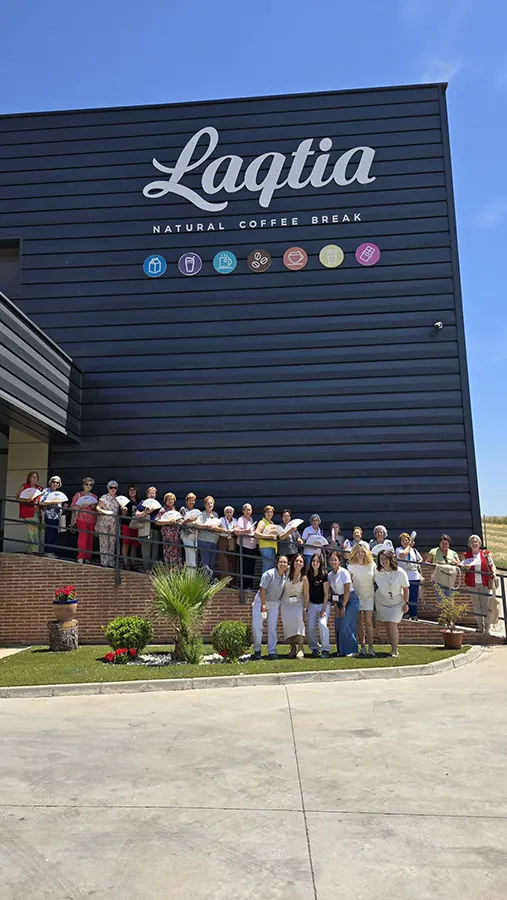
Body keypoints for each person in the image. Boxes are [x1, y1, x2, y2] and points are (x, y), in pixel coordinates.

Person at [251, 555, 289, 660]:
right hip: (261, 602)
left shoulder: (285, 575)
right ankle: (257, 650)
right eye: (281, 562)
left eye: (285, 562)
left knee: (272, 628)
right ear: (276, 563)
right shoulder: (269, 574)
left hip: (274, 604)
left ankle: (272, 651)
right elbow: (262, 589)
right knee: (257, 626)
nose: (283, 564)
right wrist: (263, 605)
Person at [374, 550, 409, 658]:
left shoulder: (400, 572)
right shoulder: (376, 571)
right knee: (387, 626)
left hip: (397, 601)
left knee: (392, 625)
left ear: (390, 559)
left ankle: (395, 650)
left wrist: (406, 603)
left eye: (385, 559)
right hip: (382, 601)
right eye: (381, 559)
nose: (383, 561)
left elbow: (406, 588)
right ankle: (392, 646)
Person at [462, 535, 499, 635]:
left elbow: (492, 565)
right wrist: (467, 568)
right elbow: (464, 569)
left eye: (476, 542)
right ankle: (480, 626)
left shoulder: (485, 554)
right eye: (472, 542)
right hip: (472, 584)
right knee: (476, 606)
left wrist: (494, 572)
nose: (474, 543)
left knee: (485, 606)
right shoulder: (467, 555)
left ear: (479, 543)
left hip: (484, 583)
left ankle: (487, 627)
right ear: (470, 544)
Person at [328, 551, 360, 656]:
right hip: (339, 601)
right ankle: (341, 650)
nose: (333, 562)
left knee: (345, 624)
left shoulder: (344, 572)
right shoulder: (330, 575)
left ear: (339, 561)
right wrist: (337, 606)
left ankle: (352, 650)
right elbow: (333, 592)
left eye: (335, 559)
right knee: (338, 625)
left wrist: (344, 606)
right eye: (331, 560)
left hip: (350, 599)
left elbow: (347, 590)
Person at [348, 543, 376, 657]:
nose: (360, 554)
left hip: (369, 596)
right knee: (359, 623)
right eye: (358, 552)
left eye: (362, 552)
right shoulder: (351, 566)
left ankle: (371, 648)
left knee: (368, 622)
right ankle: (363, 647)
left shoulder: (372, 564)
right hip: (356, 597)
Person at [280, 554, 309, 659]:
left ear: (303, 564)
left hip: (298, 603)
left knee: (299, 624)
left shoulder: (304, 578)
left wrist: (305, 609)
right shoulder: (287, 571)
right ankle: (292, 647)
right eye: (297, 561)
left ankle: (301, 648)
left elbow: (306, 595)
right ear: (293, 562)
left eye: (301, 561)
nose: (298, 563)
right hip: (286, 603)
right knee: (288, 626)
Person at [306, 552, 331, 658]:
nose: (315, 563)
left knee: (322, 624)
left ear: (320, 563)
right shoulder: (308, 574)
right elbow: (306, 592)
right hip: (312, 604)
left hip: (323, 604)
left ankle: (326, 649)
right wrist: (306, 608)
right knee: (310, 627)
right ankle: (314, 648)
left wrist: (324, 609)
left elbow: (326, 594)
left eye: (317, 561)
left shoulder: (324, 574)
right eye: (313, 561)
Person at [70, 477, 98, 564]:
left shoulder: (94, 496)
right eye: (87, 484)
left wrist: (94, 507)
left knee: (90, 538)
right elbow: (72, 507)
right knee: (83, 536)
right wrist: (81, 506)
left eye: (90, 485)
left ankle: (88, 557)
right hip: (81, 518)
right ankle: (81, 557)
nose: (88, 486)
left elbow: (96, 508)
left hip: (92, 519)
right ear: (83, 485)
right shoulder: (78, 495)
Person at [396, 533, 423, 620]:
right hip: (404, 575)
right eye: (403, 540)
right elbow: (402, 555)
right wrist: (409, 546)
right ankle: (406, 613)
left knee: (413, 596)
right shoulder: (398, 549)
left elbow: (420, 559)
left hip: (413, 575)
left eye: (406, 540)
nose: (405, 542)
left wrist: (416, 565)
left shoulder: (414, 551)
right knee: (405, 596)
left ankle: (414, 614)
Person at [38, 476, 66, 558]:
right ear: (50, 483)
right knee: (49, 534)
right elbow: (41, 502)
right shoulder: (46, 491)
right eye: (54, 482)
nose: (55, 484)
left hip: (57, 516)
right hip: (49, 516)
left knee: (54, 534)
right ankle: (47, 552)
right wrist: (53, 502)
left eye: (57, 482)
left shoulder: (58, 493)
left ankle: (51, 552)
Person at [16, 470, 42, 554]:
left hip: (37, 511)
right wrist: (26, 500)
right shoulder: (24, 486)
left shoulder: (39, 488)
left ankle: (30, 550)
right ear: (29, 478)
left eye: (36, 477)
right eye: (33, 476)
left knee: (37, 531)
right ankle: (35, 551)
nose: (34, 478)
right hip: (28, 511)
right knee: (33, 531)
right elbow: (17, 498)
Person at [427, 534, 461, 599]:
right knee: (440, 599)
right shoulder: (433, 551)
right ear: (439, 543)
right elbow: (427, 563)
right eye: (443, 543)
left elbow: (459, 564)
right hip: (438, 579)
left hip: (449, 579)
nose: (445, 545)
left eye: (446, 543)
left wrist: (456, 563)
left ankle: (450, 609)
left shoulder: (453, 553)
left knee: (450, 598)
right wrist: (434, 565)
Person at [135, 486, 160, 573]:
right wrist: (146, 512)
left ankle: (153, 569)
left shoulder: (158, 505)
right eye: (150, 493)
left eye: (154, 493)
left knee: (155, 550)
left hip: (156, 529)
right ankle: (146, 569)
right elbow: (137, 515)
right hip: (145, 529)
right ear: (147, 494)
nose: (152, 495)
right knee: (146, 550)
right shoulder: (143, 503)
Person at [95, 480, 120, 567]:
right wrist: (103, 511)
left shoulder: (118, 499)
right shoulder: (104, 497)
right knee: (104, 541)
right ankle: (104, 562)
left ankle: (111, 562)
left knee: (112, 542)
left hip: (113, 523)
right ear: (108, 488)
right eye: (111, 487)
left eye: (115, 487)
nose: (113, 489)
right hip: (104, 522)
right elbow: (97, 507)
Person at [234, 503, 258, 592]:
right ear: (243, 511)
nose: (248, 511)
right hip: (244, 546)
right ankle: (243, 586)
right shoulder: (241, 519)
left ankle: (249, 586)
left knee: (251, 567)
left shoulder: (251, 519)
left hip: (252, 547)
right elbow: (236, 531)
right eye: (246, 510)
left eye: (250, 510)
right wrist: (245, 531)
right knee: (244, 567)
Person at [156, 492, 182, 568]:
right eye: (169, 499)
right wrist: (169, 522)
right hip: (168, 535)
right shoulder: (163, 510)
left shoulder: (175, 510)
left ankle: (176, 570)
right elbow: (157, 521)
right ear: (165, 500)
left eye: (172, 499)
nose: (171, 501)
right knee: (169, 552)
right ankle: (169, 570)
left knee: (177, 552)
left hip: (176, 535)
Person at [196, 495, 221, 572]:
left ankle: (211, 582)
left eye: (211, 503)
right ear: (205, 505)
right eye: (208, 503)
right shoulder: (202, 514)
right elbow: (197, 525)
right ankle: (205, 583)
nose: (210, 505)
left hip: (214, 542)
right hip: (204, 541)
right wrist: (207, 526)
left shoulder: (216, 514)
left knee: (212, 564)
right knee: (205, 564)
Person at [119, 484, 141, 570]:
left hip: (136, 524)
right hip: (126, 524)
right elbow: (123, 514)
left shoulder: (139, 501)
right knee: (126, 543)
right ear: (128, 492)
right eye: (130, 490)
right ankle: (125, 562)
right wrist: (124, 510)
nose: (132, 491)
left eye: (134, 490)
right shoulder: (125, 501)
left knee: (134, 544)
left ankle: (133, 563)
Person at [179, 492, 200, 570]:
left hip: (196, 534)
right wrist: (187, 520)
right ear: (186, 501)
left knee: (195, 554)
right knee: (190, 553)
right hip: (186, 534)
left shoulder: (196, 511)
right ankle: (191, 575)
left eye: (193, 500)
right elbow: (180, 522)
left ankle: (191, 574)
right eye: (190, 500)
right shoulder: (183, 509)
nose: (191, 502)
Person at [255, 505, 278, 573]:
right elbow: (256, 534)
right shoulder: (262, 522)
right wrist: (268, 536)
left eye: (271, 512)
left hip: (272, 547)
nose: (270, 514)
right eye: (268, 512)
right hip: (266, 547)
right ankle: (264, 584)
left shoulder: (271, 523)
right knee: (267, 568)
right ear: (264, 513)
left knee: (271, 568)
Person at [217, 506, 237, 580]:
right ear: (225, 513)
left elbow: (237, 529)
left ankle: (232, 582)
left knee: (232, 560)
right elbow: (217, 527)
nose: (229, 514)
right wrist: (223, 530)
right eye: (227, 512)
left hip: (232, 540)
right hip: (223, 539)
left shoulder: (235, 520)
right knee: (223, 561)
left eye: (230, 512)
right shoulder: (221, 520)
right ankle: (224, 581)